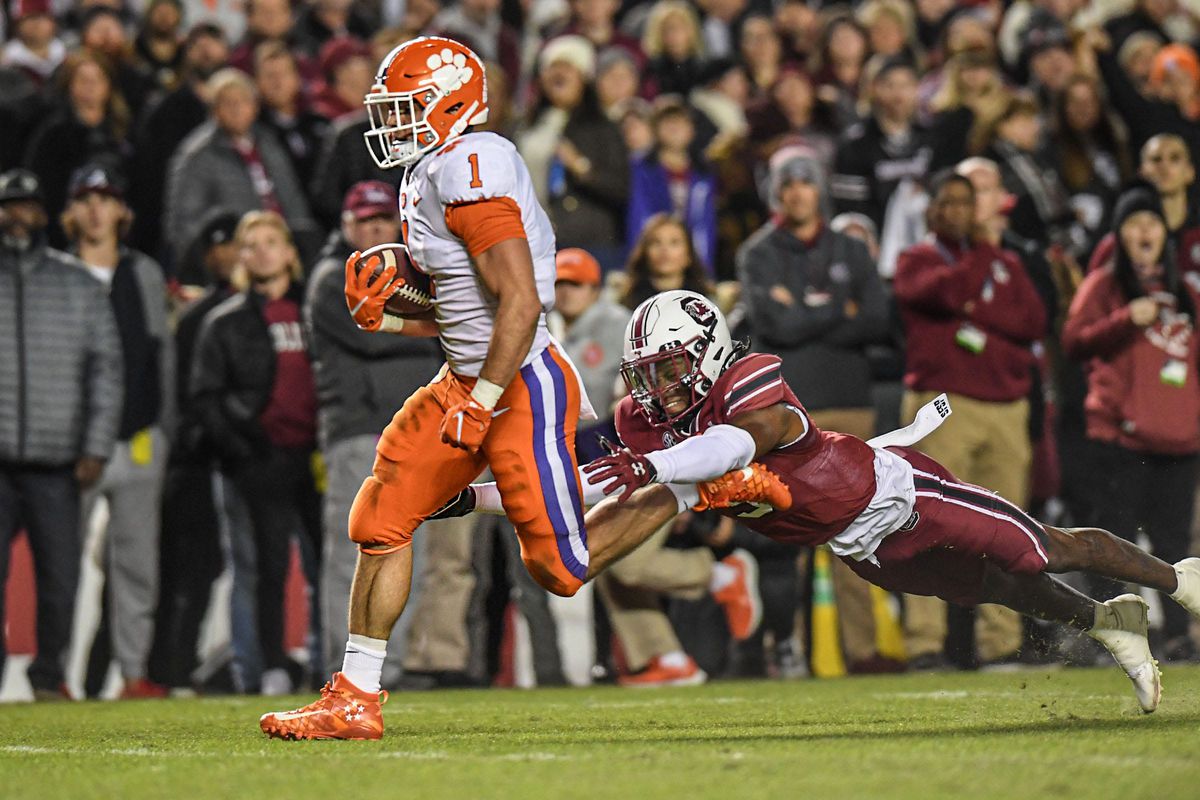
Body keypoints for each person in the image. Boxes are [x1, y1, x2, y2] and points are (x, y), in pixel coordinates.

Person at [258, 37, 752, 740]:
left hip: (517, 382)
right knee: (381, 516)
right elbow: (468, 310)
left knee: (558, 566)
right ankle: (354, 696)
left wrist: (484, 401)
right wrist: (402, 313)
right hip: (469, 374)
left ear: (446, 105)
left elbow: (520, 302)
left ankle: (690, 485)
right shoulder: (434, 166)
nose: (391, 123)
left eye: (405, 108)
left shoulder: (470, 164)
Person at [467, 288, 1200, 713]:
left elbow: (735, 447)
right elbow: (579, 481)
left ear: (709, 352)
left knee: (1041, 547)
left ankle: (1181, 579)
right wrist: (473, 501)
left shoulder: (748, 383)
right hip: (859, 544)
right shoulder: (649, 425)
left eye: (667, 370)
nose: (653, 391)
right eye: (645, 375)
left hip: (902, 492)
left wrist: (652, 467)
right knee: (1000, 588)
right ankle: (1108, 623)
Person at [736, 153, 894, 671]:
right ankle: (793, 651)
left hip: (849, 404)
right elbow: (770, 324)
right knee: (791, 535)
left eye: (806, 182)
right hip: (790, 412)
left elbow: (876, 318)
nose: (798, 191)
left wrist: (801, 310)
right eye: (788, 184)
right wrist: (836, 310)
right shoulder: (758, 252)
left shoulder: (849, 244)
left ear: (819, 189)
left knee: (862, 530)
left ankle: (865, 650)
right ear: (776, 192)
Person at [892, 170, 1047, 669]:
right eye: (950, 202)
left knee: (1007, 531)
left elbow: (1033, 322)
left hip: (1005, 407)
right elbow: (943, 294)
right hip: (943, 408)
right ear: (932, 210)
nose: (960, 211)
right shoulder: (915, 259)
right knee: (923, 521)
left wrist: (975, 308)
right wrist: (979, 273)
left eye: (968, 202)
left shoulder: (1005, 262)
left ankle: (1002, 644)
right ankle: (925, 644)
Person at [303, 181, 442, 677]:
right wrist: (436, 322)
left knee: (412, 554)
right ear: (346, 226)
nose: (375, 229)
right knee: (352, 555)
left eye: (383, 219)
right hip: (358, 430)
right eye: (364, 221)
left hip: (414, 429)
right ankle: (341, 672)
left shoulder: (414, 276)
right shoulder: (329, 277)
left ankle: (390, 669)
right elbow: (377, 338)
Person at [1063, 184, 1200, 661]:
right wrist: (1124, 319)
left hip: (1179, 442)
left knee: (1174, 545)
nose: (1145, 231)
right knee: (1114, 545)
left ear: (1166, 233)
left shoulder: (1185, 291)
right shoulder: (1104, 284)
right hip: (1120, 439)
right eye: (1134, 223)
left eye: (1153, 223)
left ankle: (1180, 637)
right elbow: (1074, 341)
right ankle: (1114, 634)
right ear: (1119, 235)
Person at [0, 168, 122, 700]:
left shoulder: (76, 281)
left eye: (27, 206)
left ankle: (49, 677)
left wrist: (96, 444)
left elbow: (106, 368)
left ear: (45, 215)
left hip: (57, 460)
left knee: (60, 583)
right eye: (9, 206)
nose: (17, 216)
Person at [192, 210, 323, 695]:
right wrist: (246, 447)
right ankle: (268, 666)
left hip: (313, 459)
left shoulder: (315, 311)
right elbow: (205, 397)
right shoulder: (225, 322)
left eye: (273, 241)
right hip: (261, 458)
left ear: (290, 251)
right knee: (266, 567)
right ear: (242, 257)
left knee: (327, 567)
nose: (264, 251)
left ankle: (328, 663)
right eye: (254, 243)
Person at [62, 165, 174, 699]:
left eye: (106, 198)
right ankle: (54, 674)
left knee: (136, 563)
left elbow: (160, 354)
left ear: (122, 211)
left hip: (139, 439)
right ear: (72, 211)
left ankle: (132, 671)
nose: (96, 210)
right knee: (62, 565)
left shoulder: (144, 273)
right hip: (70, 443)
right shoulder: (54, 272)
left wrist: (165, 426)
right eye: (86, 199)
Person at [164, 68, 316, 267]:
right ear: (214, 110)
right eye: (228, 103)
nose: (237, 109)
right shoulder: (197, 155)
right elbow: (184, 224)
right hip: (236, 259)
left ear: (255, 107)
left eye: (243, 101)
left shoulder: (268, 142)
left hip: (281, 251)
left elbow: (293, 200)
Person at [626, 97, 718, 269]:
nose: (674, 128)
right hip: (653, 262)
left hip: (691, 264)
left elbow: (706, 225)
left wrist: (704, 269)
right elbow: (639, 217)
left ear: (691, 130)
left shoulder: (704, 172)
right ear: (655, 129)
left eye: (680, 122)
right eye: (667, 122)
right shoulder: (640, 168)